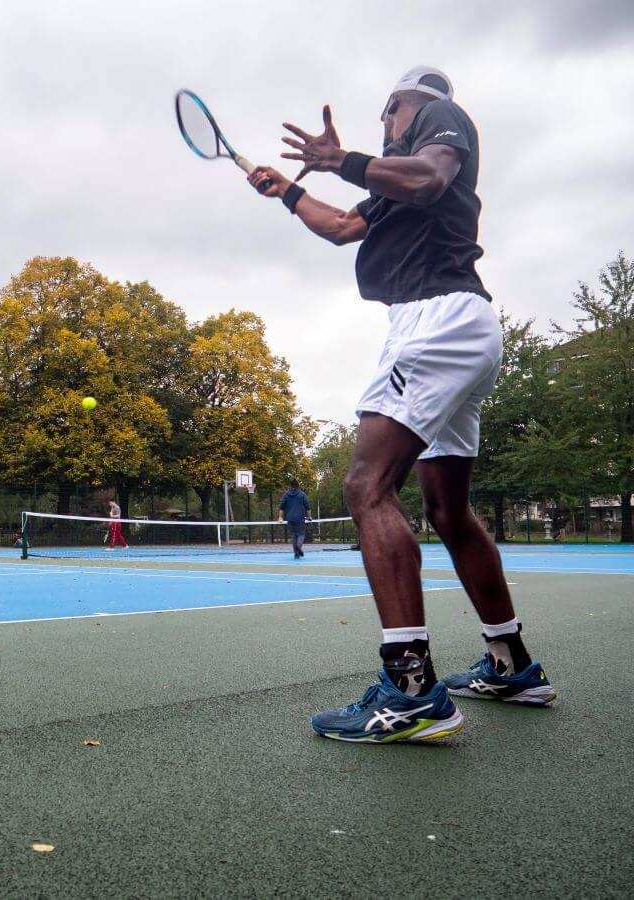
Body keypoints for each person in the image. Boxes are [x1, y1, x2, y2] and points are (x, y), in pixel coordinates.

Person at [247, 66, 555, 744]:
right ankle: (512, 663)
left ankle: (412, 691)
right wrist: (290, 190)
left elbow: (426, 177)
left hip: (436, 323)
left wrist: (344, 159)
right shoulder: (394, 185)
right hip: (461, 328)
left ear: (404, 107)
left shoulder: (440, 122)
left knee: (367, 484)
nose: (385, 123)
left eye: (389, 113)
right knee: (447, 508)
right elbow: (342, 226)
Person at [277, 479, 311, 559]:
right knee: (301, 535)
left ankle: (296, 554)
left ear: (290, 485)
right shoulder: (302, 494)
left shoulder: (286, 495)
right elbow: (308, 507)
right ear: (298, 485)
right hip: (299, 518)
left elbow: (281, 508)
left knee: (294, 536)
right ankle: (298, 547)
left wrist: (280, 517)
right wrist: (309, 517)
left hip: (290, 518)